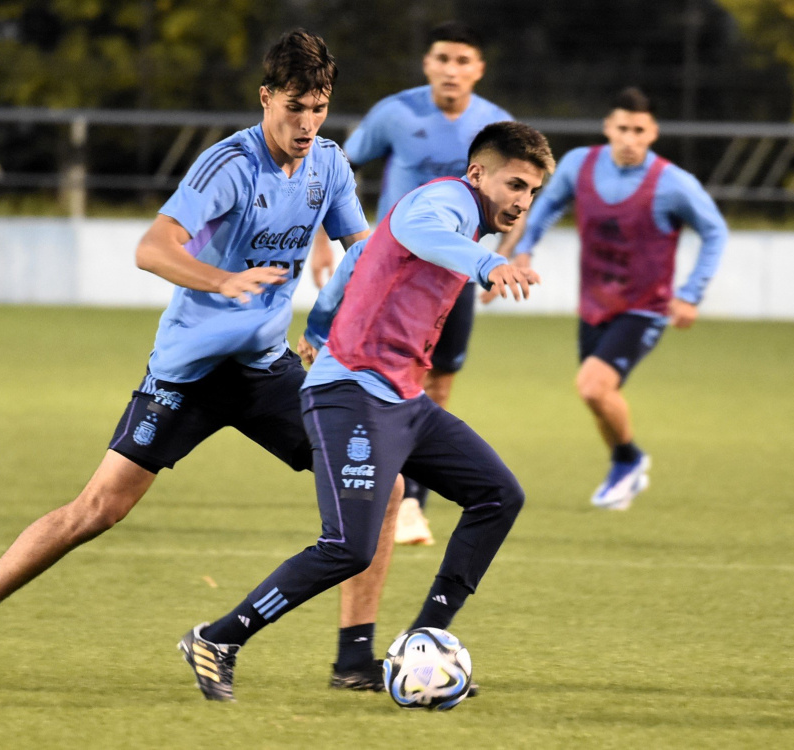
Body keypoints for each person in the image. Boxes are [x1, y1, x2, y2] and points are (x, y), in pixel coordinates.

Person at [0, 29, 402, 693]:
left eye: (317, 108)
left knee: (383, 483)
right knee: (97, 511)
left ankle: (352, 660)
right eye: (293, 108)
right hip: (188, 375)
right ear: (265, 98)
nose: (306, 123)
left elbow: (359, 254)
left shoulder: (330, 167)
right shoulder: (229, 165)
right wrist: (220, 280)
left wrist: (345, 317)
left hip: (265, 371)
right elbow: (152, 247)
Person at [177, 121, 553, 702]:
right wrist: (485, 265)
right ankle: (218, 639)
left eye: (532, 191)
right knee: (348, 546)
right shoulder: (444, 201)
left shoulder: (466, 220)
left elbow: (362, 258)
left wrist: (321, 326)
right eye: (516, 184)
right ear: (478, 173)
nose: (522, 200)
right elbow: (419, 229)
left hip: (402, 398)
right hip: (350, 394)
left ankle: (424, 641)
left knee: (498, 494)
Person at [311, 20, 512, 546]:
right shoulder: (395, 113)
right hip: (388, 279)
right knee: (376, 378)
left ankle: (410, 502)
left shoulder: (495, 124)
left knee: (437, 385)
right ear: (428, 64)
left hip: (453, 278)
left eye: (463, 60)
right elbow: (333, 168)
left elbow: (519, 199)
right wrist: (323, 242)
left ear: (478, 70)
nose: (452, 69)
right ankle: (375, 490)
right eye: (442, 58)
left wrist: (499, 259)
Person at [494, 87, 728, 510]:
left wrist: (691, 293)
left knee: (592, 387)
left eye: (639, 130)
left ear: (653, 132)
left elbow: (715, 232)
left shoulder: (674, 184)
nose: (629, 138)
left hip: (645, 307)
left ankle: (630, 460)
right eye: (622, 128)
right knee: (599, 397)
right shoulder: (580, 165)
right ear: (608, 128)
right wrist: (523, 250)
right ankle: (624, 464)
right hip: (595, 304)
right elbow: (545, 209)